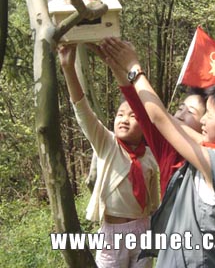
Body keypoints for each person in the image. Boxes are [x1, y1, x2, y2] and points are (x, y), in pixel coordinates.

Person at [100, 38, 215, 267]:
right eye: (179, 108)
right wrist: (118, 66)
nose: (178, 116)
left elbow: (159, 117)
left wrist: (135, 70)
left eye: (199, 113)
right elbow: (156, 117)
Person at [58, 45, 159, 268]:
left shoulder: (150, 156)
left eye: (133, 116)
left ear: (145, 125)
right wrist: (67, 68)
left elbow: (153, 204)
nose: (124, 119)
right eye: (120, 114)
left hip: (143, 229)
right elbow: (83, 110)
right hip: (112, 233)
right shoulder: (107, 143)